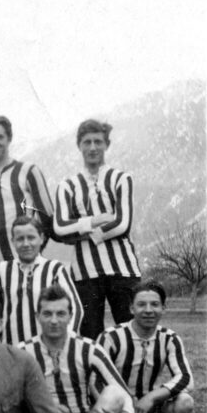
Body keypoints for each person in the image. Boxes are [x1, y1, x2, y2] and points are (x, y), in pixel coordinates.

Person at [20, 285, 136, 413]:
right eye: (47, 314)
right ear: (37, 316)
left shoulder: (88, 347)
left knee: (113, 393)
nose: (54, 320)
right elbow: (10, 394)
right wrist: (46, 405)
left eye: (60, 314)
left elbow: (122, 393)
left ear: (70, 315)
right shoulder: (23, 351)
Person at [53, 119, 141, 339]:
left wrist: (79, 234)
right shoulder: (67, 185)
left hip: (123, 269)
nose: (92, 147)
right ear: (79, 146)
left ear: (106, 145)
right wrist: (95, 220)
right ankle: (95, 374)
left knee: (132, 331)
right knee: (90, 334)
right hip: (85, 272)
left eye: (98, 142)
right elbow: (60, 227)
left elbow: (123, 224)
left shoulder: (121, 179)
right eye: (87, 142)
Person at [97, 280, 198, 413]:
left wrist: (151, 398)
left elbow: (186, 378)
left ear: (164, 308)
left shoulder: (169, 338)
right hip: (116, 408)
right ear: (131, 308)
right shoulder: (111, 337)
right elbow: (96, 380)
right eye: (141, 304)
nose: (148, 310)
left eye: (155, 304)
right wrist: (123, 404)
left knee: (184, 402)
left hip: (147, 411)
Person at [0, 214, 83, 344]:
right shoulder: (2, 270)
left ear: (41, 239)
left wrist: (65, 340)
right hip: (13, 351)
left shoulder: (54, 269)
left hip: (46, 349)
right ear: (13, 241)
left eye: (31, 238)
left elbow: (76, 307)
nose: (26, 244)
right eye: (20, 239)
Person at [0, 115, 53, 276]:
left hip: (25, 268)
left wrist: (31, 253)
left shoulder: (28, 171)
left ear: (9, 139)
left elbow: (47, 219)